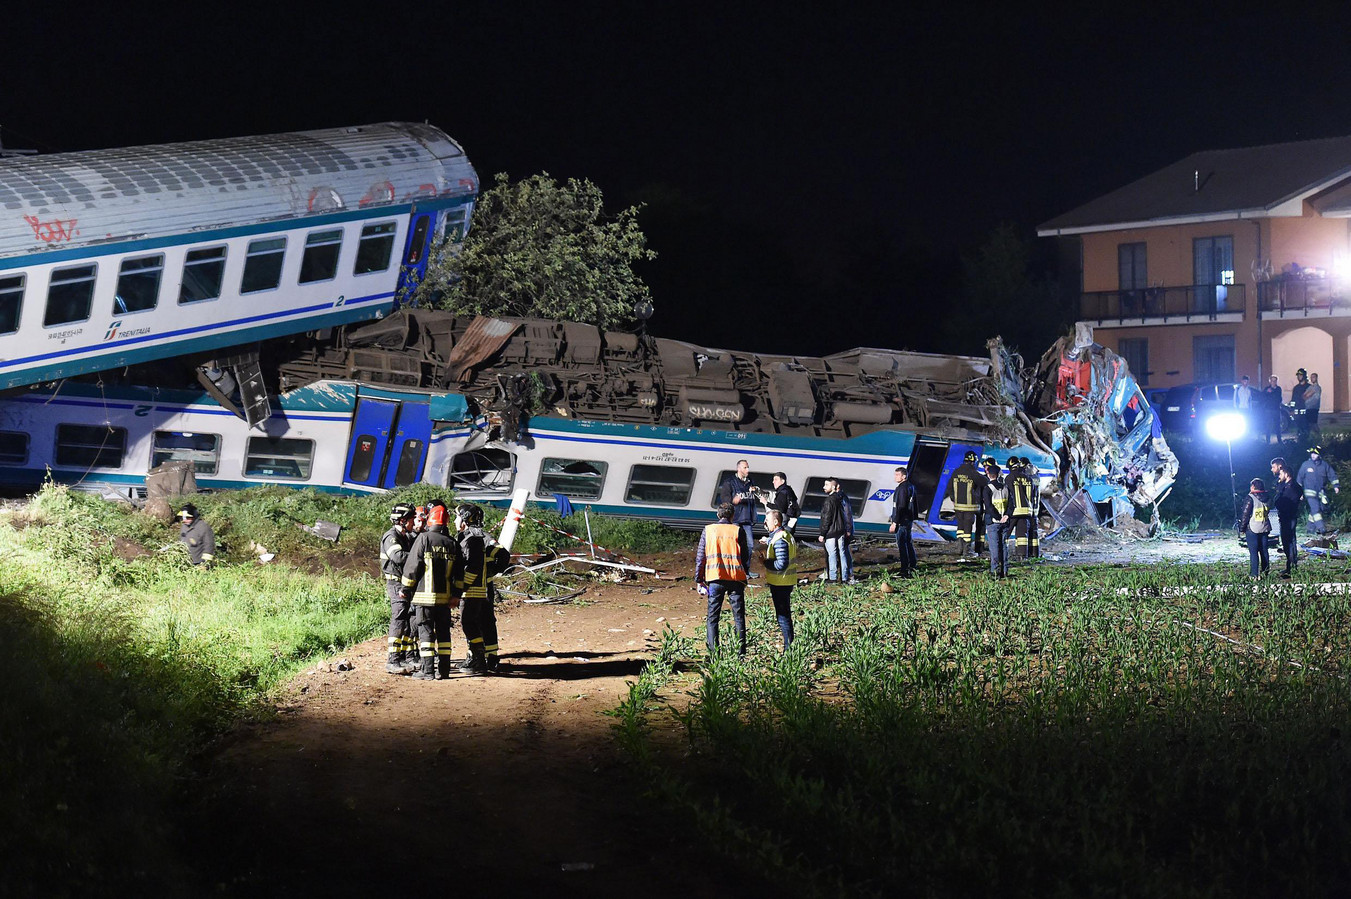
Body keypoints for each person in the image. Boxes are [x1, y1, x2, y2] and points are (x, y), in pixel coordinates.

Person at [400, 504, 462, 680]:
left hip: (424, 598)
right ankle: (444, 670)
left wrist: (405, 588)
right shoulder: (453, 543)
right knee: (444, 633)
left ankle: (427, 671)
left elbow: (412, 566)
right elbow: (459, 573)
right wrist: (457, 595)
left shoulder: (423, 539)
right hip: (445, 600)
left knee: (426, 632)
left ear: (430, 520)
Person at [453, 503, 512, 674]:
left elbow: (503, 555)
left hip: (478, 587)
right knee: (480, 621)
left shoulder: (480, 538)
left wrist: (488, 573)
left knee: (479, 621)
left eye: (457, 517)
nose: (455, 520)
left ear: (465, 519)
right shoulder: (468, 536)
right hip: (479, 585)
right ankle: (484, 656)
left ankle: (486, 658)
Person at [695, 502, 750, 655]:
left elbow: (700, 558)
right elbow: (745, 556)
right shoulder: (738, 530)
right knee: (739, 617)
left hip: (715, 578)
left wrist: (699, 579)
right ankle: (740, 654)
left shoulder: (708, 530)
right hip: (736, 579)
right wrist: (745, 574)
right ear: (733, 515)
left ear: (718, 515)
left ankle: (714, 654)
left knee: (712, 618)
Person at [380, 503, 418, 675]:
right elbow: (398, 556)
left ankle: (404, 657)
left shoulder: (405, 536)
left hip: (405, 584)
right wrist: (419, 556)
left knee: (408, 620)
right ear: (402, 521)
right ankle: (393, 660)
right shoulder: (391, 537)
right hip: (396, 584)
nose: (413, 523)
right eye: (411, 520)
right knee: (399, 619)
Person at [760, 510, 796, 650]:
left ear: (776, 522)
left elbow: (781, 564)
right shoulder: (784, 535)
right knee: (784, 615)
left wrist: (765, 562)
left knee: (783, 616)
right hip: (785, 581)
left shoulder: (780, 539)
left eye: (767, 520)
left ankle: (788, 649)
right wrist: (768, 540)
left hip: (781, 582)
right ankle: (789, 646)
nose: (765, 523)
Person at [718, 460, 758, 571]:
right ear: (739, 468)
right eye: (745, 467)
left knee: (749, 545)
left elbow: (752, 500)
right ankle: (733, 569)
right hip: (734, 519)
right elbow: (724, 498)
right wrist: (732, 500)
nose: (748, 470)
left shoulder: (750, 482)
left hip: (747, 518)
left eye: (748, 467)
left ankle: (745, 570)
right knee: (733, 545)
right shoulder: (729, 482)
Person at [947, 451, 985, 560]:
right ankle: (966, 551)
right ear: (973, 462)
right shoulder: (972, 472)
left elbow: (949, 487)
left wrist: (953, 499)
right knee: (968, 528)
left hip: (958, 506)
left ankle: (959, 548)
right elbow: (984, 482)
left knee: (960, 527)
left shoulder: (956, 472)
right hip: (969, 507)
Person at [1297, 445, 1340, 535]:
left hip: (1320, 492)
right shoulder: (1306, 465)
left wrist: (1336, 486)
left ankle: (1310, 528)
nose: (1313, 455)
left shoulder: (1324, 465)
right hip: (1309, 492)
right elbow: (1299, 479)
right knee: (1316, 509)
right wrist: (1298, 493)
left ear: (1319, 455)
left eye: (1315, 454)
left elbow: (1332, 475)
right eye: (1312, 453)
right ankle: (1321, 528)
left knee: (1319, 509)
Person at [816, 478, 850, 582]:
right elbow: (845, 515)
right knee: (842, 553)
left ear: (833, 487)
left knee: (832, 554)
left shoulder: (828, 501)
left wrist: (822, 533)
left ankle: (833, 577)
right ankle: (844, 577)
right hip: (841, 530)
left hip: (831, 532)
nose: (824, 487)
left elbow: (827, 518)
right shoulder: (840, 498)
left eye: (827, 485)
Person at [982, 458, 1011, 579]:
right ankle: (1005, 571)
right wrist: (1006, 516)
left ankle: (995, 572)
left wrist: (998, 517)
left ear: (989, 474)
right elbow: (1011, 504)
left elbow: (988, 506)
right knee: (1003, 546)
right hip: (1005, 521)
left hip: (993, 521)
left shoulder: (987, 488)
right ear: (999, 474)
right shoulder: (1005, 488)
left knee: (994, 547)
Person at [888, 466, 918, 577]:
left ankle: (904, 570)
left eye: (897, 475)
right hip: (908, 519)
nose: (895, 477)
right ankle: (912, 566)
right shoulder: (911, 487)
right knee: (908, 543)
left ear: (904, 476)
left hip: (901, 521)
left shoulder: (902, 489)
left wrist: (895, 522)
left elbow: (899, 506)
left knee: (902, 545)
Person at [1239, 478, 1272, 579]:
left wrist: (1242, 528)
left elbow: (1245, 514)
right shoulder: (1268, 497)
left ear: (1253, 486)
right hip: (1265, 527)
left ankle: (1254, 574)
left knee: (1253, 552)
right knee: (1264, 551)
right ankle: (1265, 573)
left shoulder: (1250, 498)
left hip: (1253, 528)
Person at [1272, 463, 1302, 577]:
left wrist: (1278, 499)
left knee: (1288, 542)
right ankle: (1290, 566)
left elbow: (1282, 502)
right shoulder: (1289, 486)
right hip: (1287, 517)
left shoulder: (1292, 487)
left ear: (1286, 474)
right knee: (1289, 542)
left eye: (1280, 474)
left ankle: (1291, 567)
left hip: (1288, 517)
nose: (1279, 476)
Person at [1009, 457, 1040, 559]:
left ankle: (1019, 555)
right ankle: (1032, 554)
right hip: (1031, 510)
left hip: (1021, 510)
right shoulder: (1033, 476)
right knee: (1029, 534)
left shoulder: (1025, 476)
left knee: (1019, 533)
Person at [1262, 375, 1283, 444]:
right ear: (1270, 381)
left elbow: (1279, 398)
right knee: (1268, 425)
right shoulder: (1266, 389)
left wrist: (1272, 393)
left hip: (1276, 409)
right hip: (1268, 410)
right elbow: (1263, 397)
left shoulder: (1278, 389)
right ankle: (1268, 440)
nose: (1273, 382)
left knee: (1277, 425)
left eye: (1275, 381)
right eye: (1272, 381)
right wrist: (1267, 392)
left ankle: (1279, 440)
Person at [1290, 369, 1310, 441]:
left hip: (1306, 413)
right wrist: (1292, 409)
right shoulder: (1296, 388)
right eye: (1298, 375)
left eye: (1300, 375)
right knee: (1299, 429)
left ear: (1304, 376)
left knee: (1306, 430)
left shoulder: (1309, 387)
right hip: (1297, 414)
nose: (1299, 377)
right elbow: (1293, 400)